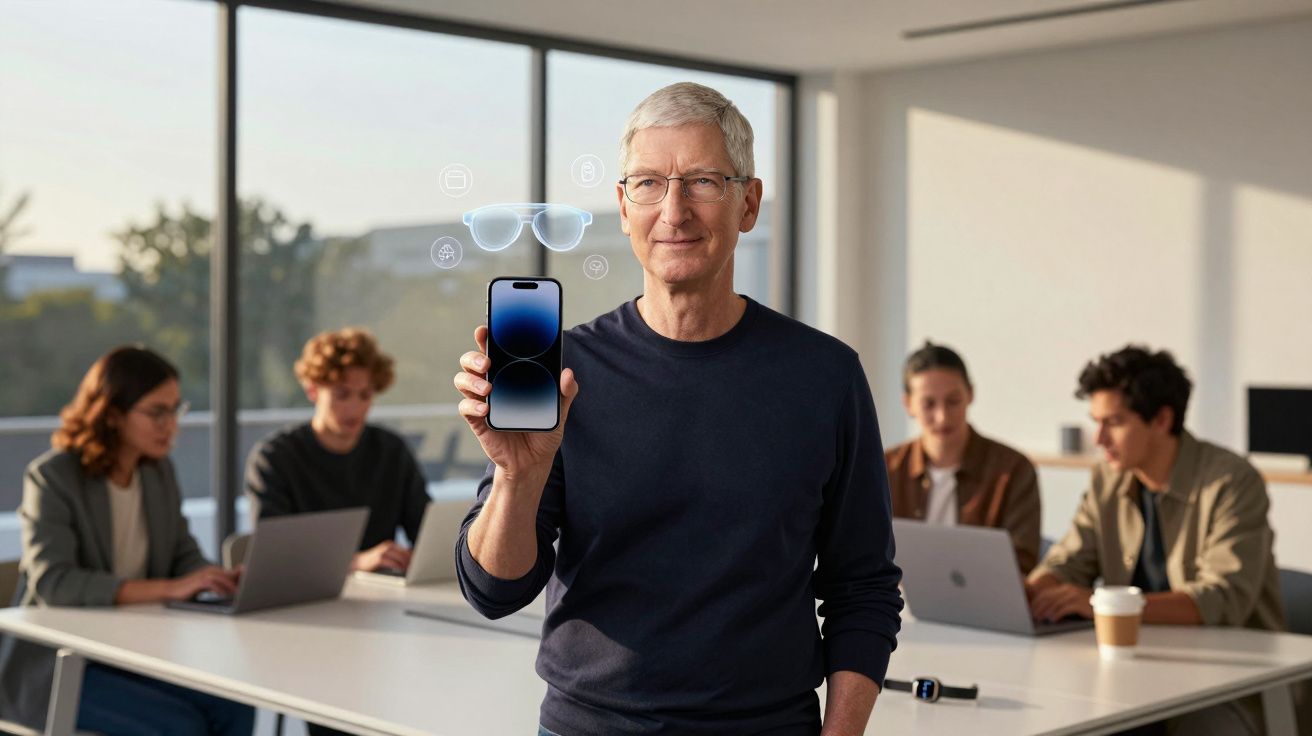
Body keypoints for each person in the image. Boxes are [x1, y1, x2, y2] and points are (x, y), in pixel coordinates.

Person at [452, 82, 903, 736]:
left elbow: (862, 588)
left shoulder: (824, 376)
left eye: (702, 182)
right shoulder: (566, 372)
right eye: (648, 184)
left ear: (748, 203)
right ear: (621, 206)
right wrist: (519, 478)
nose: (674, 209)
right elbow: (493, 590)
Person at [1027, 345, 1284, 735]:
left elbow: (1222, 597)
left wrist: (1105, 604)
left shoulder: (1231, 481)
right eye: (1096, 421)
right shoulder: (1108, 480)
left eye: (1113, 422)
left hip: (1227, 680)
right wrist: (1028, 593)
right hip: (1131, 672)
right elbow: (1069, 561)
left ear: (1162, 419)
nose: (1099, 438)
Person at [0, 346, 253, 735]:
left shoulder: (158, 473)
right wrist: (174, 587)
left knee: (235, 705)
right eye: (157, 412)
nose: (170, 425)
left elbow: (181, 553)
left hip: (133, 652)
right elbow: (55, 583)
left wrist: (212, 578)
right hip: (59, 666)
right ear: (113, 413)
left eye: (175, 410)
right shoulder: (53, 478)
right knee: (179, 725)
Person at [245, 327, 431, 579]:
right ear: (313, 391)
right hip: (302, 598)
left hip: (380, 599)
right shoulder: (274, 458)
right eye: (341, 394)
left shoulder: (392, 451)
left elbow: (426, 534)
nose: (354, 408)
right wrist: (355, 562)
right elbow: (274, 555)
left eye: (365, 395)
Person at [885, 341, 1042, 574]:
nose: (942, 417)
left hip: (985, 606)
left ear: (970, 394)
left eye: (953, 401)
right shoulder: (886, 467)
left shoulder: (1013, 469)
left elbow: (1022, 561)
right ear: (908, 404)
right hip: (898, 604)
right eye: (929, 404)